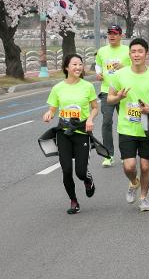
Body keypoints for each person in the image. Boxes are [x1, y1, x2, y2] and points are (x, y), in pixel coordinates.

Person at [107, 38, 149, 212]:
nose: (136, 54)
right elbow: (109, 99)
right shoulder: (120, 75)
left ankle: (144, 198)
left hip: (148, 128)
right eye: (133, 51)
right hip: (126, 128)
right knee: (129, 166)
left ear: (146, 53)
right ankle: (133, 182)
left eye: (140, 51)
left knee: (145, 165)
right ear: (129, 54)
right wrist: (118, 98)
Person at [43, 54, 98, 215]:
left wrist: (90, 119)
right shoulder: (58, 88)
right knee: (66, 170)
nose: (78, 67)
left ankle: (88, 181)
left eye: (80, 64)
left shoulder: (87, 86)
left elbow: (95, 107)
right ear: (66, 67)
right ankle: (73, 201)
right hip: (64, 133)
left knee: (80, 172)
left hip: (81, 132)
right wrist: (49, 114)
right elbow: (53, 109)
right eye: (74, 64)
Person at [95, 24, 131, 167]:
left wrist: (124, 67)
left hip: (124, 92)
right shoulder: (102, 51)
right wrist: (98, 73)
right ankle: (108, 155)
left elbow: (135, 67)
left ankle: (126, 153)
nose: (112, 36)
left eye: (115, 33)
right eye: (109, 33)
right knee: (106, 122)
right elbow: (98, 64)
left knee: (125, 123)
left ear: (121, 35)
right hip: (106, 91)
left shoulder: (128, 51)